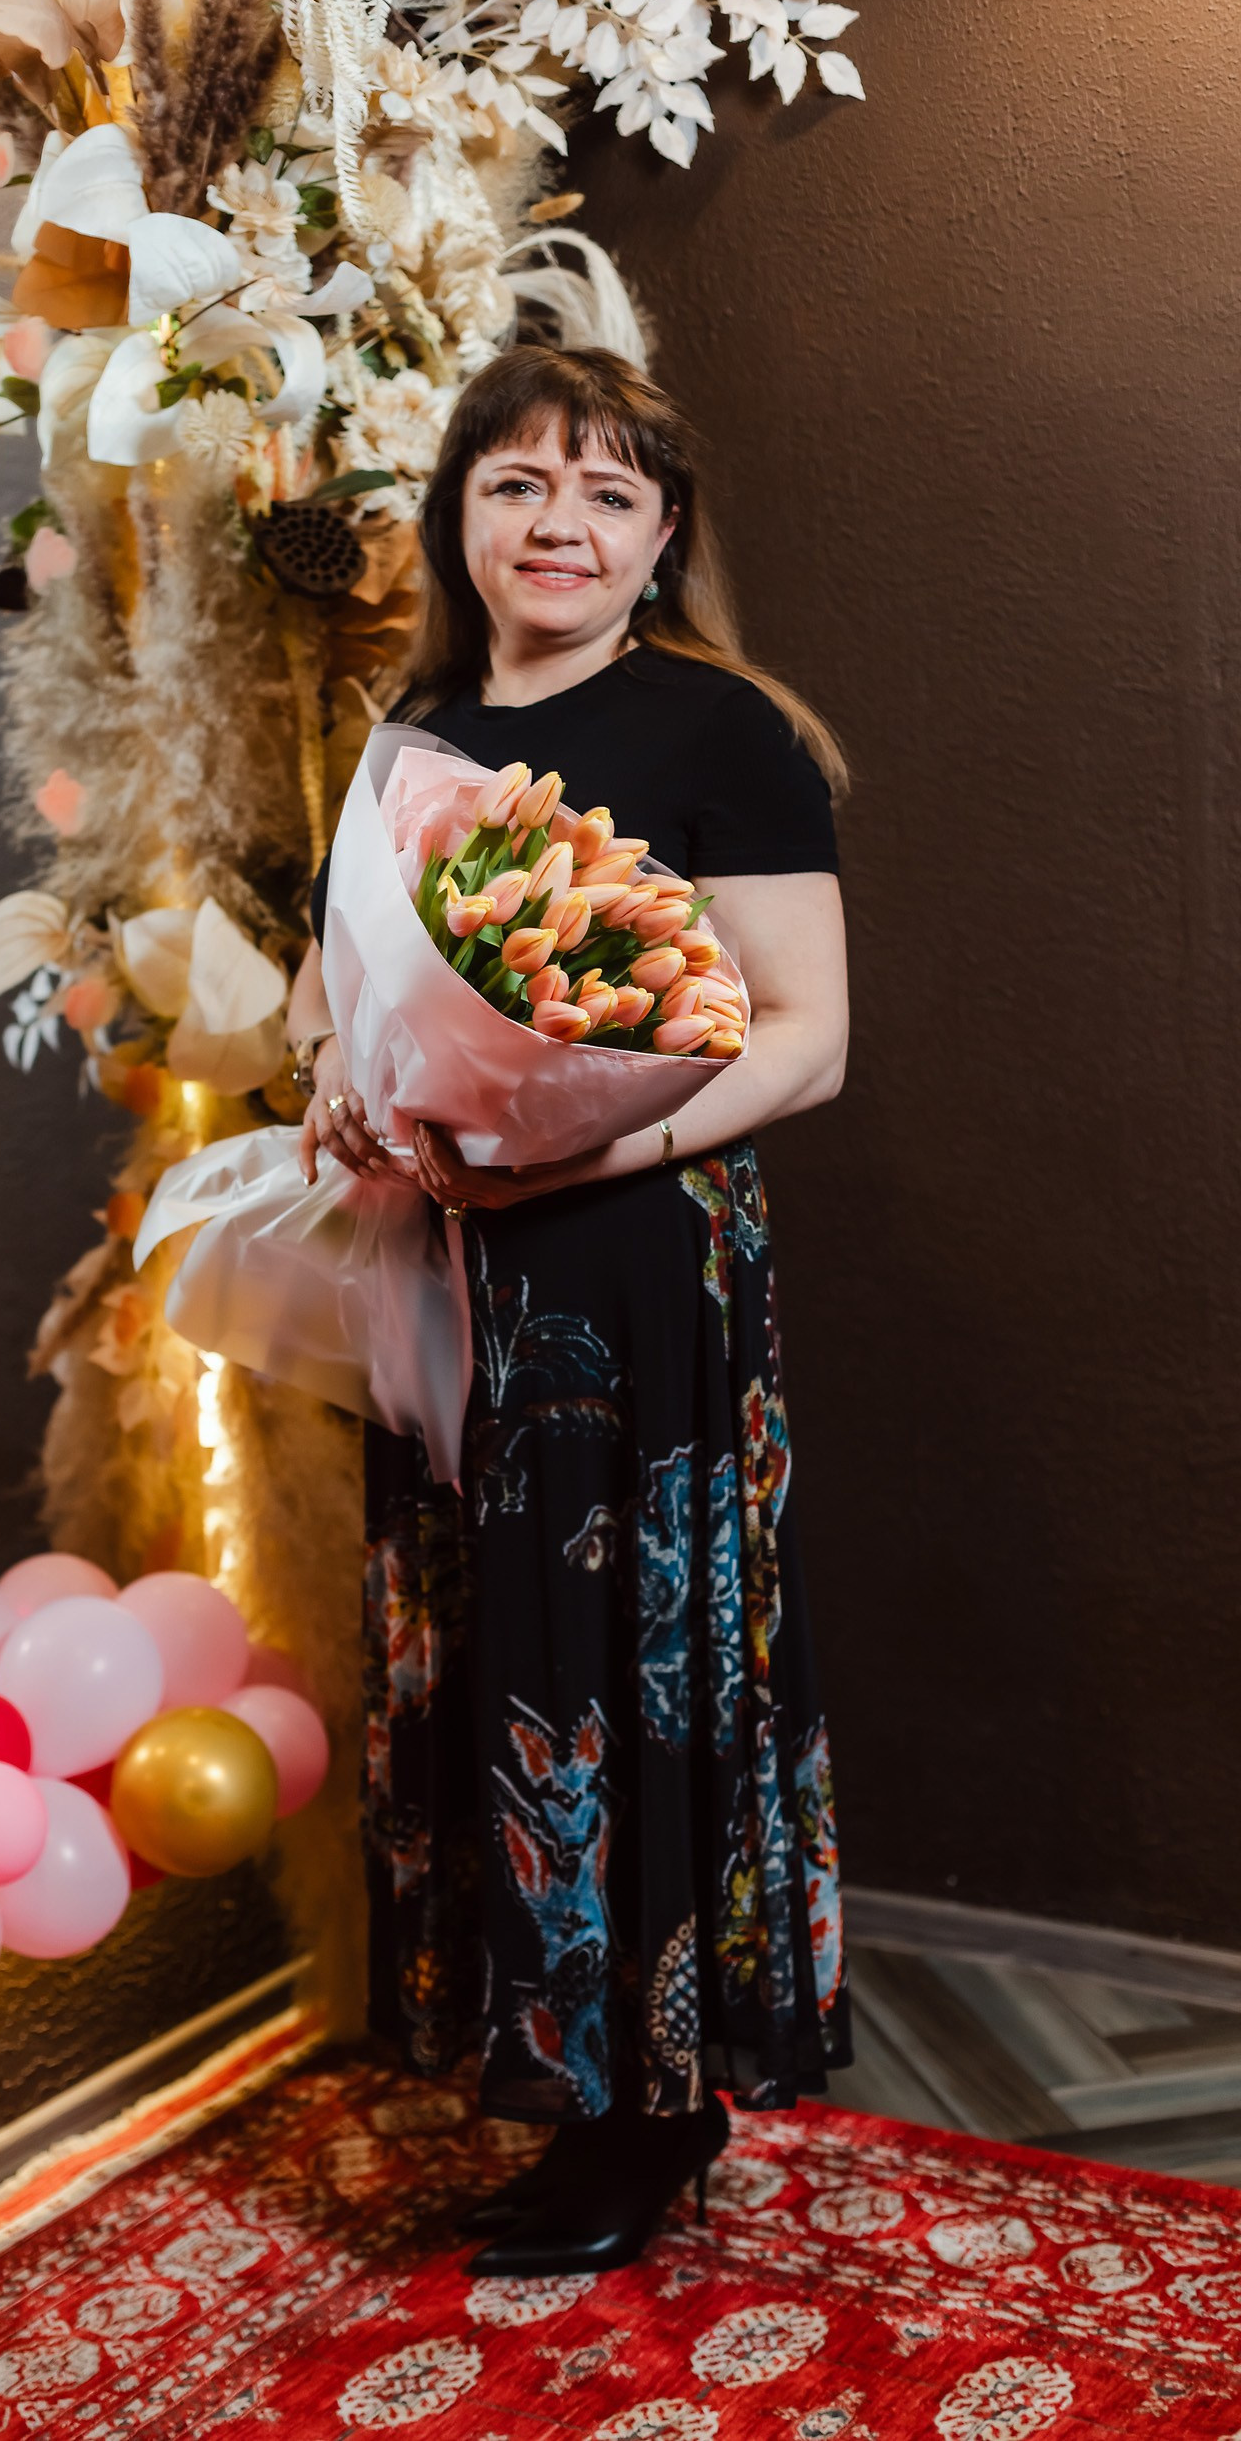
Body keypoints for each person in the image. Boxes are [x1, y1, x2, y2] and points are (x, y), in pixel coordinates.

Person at [287, 346, 851, 2277]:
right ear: (458, 515)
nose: (560, 524)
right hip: (449, 1262)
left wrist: (572, 1150)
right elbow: (336, 993)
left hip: (633, 1272)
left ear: (661, 537)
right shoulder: (410, 736)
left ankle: (652, 2107)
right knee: (490, 1653)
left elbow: (806, 1037)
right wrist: (341, 1084)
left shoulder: (724, 730)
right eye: (519, 483)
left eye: (608, 492)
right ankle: (544, 2068)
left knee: (625, 1664)